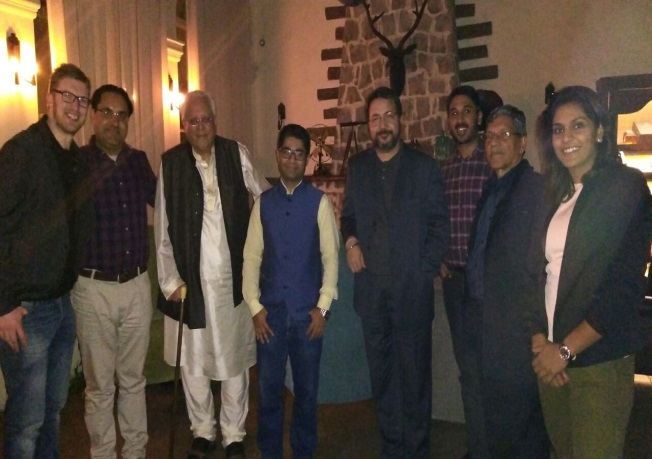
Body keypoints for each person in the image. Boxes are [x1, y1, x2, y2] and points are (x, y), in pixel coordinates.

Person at [531, 85, 652, 458]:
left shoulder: (625, 187)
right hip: (551, 357)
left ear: (600, 130)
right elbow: (537, 274)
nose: (566, 138)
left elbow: (623, 288)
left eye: (578, 125)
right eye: (558, 129)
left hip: (598, 358)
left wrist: (567, 350)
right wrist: (540, 340)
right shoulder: (556, 194)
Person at [155, 90, 270, 459]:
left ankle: (234, 433)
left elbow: (264, 197)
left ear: (215, 122)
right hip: (190, 285)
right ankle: (203, 430)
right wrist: (170, 280)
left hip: (233, 282)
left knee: (235, 360)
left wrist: (266, 249)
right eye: (193, 120)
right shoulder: (171, 165)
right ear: (183, 125)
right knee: (193, 362)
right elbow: (162, 228)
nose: (201, 126)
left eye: (206, 119)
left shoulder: (236, 153)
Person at [341, 86, 449, 458]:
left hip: (412, 294)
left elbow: (440, 225)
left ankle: (417, 451)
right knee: (383, 379)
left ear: (400, 120)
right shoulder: (357, 168)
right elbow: (348, 217)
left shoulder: (424, 167)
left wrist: (422, 270)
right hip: (372, 298)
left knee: (415, 380)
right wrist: (351, 242)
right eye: (375, 118)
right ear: (368, 126)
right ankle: (391, 448)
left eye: (389, 116)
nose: (382, 124)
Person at [0, 63, 93, 458]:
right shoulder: (21, 152)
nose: (75, 106)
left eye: (83, 100)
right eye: (68, 96)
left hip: (61, 306)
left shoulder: (74, 158)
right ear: (49, 99)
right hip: (26, 311)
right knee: (26, 423)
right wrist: (4, 305)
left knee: (53, 411)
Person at [242, 123, 340, 458]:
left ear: (306, 158)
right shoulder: (262, 204)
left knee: (307, 392)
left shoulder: (319, 203)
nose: (293, 159)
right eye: (287, 152)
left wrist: (323, 308)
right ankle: (270, 452)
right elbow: (251, 257)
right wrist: (254, 307)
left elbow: (331, 258)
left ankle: (303, 451)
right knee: (268, 391)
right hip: (269, 316)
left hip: (307, 317)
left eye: (300, 153)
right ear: (277, 154)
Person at [72, 84, 157, 458]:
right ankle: (103, 453)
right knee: (99, 386)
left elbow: (164, 202)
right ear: (93, 115)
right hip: (93, 288)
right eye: (106, 112)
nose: (114, 121)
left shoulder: (138, 161)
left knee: (134, 379)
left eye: (121, 115)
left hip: (136, 284)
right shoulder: (76, 163)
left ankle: (136, 452)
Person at [463, 105, 549, 458]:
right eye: (489, 137)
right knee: (494, 412)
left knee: (520, 419)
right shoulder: (492, 188)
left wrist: (533, 328)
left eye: (504, 135)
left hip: (515, 325)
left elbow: (537, 267)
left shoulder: (535, 190)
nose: (494, 143)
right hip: (483, 318)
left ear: (522, 143)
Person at [439, 85, 491, 371]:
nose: (460, 119)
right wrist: (438, 258)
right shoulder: (444, 170)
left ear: (478, 117)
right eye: (454, 113)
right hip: (454, 283)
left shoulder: (493, 163)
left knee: (490, 361)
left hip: (487, 279)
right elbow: (434, 220)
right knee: (466, 364)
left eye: (466, 111)